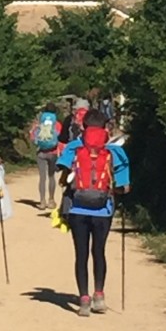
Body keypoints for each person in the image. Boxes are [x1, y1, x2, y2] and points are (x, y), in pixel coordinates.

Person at [56, 108, 130, 317]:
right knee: (99, 252)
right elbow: (124, 188)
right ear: (105, 127)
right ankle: (99, 295)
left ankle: (84, 300)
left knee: (81, 254)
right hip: (103, 210)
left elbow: (63, 178)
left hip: (78, 209)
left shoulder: (73, 147)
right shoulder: (115, 151)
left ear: (84, 126)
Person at [29, 103, 62, 210]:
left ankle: (42, 201)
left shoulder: (39, 124)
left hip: (41, 152)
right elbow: (61, 139)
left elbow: (33, 138)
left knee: (42, 178)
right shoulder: (57, 124)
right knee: (51, 176)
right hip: (52, 153)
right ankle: (51, 200)